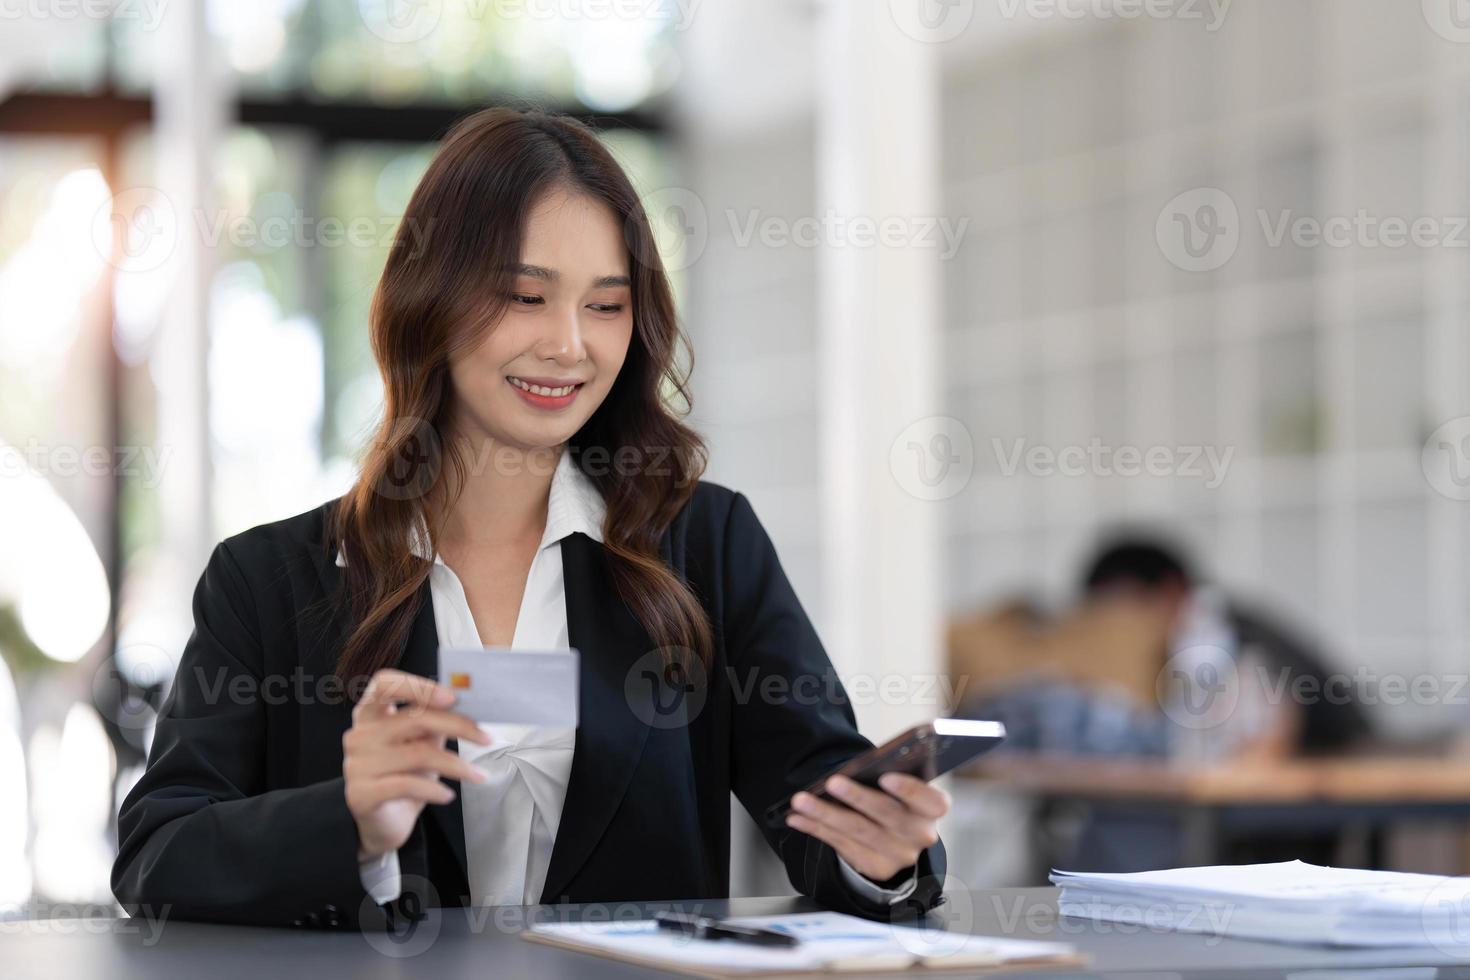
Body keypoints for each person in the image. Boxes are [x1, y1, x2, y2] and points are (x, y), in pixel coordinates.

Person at [110, 108, 947, 930]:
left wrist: (880, 856)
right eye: (525, 296)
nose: (569, 345)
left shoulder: (706, 547)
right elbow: (158, 856)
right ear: (429, 299)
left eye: (606, 305)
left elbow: (823, 803)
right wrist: (351, 821)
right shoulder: (267, 579)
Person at [1081, 535, 1371, 758]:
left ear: (1170, 590)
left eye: (1121, 613)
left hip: (1321, 783)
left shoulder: (1224, 638)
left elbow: (1270, 740)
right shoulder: (1205, 633)